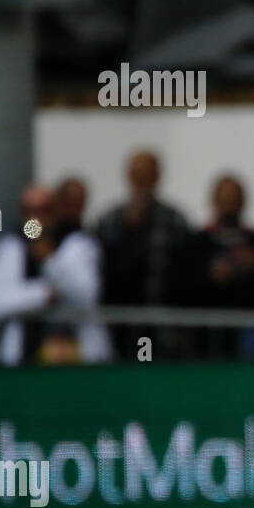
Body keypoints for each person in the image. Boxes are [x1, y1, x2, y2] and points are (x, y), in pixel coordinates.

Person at [0, 183, 111, 365]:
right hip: (24, 356)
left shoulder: (78, 243)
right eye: (29, 211)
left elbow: (85, 295)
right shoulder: (11, 247)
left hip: (78, 356)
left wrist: (49, 259)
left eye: (44, 210)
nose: (36, 218)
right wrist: (43, 294)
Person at [96, 150, 194, 359]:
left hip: (164, 326)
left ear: (157, 177)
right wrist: (129, 232)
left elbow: (186, 275)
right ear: (129, 177)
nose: (143, 182)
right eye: (138, 175)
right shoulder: (110, 221)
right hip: (118, 328)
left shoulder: (174, 221)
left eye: (148, 175)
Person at [192, 175, 254, 359]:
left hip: (253, 334)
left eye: (234, 200)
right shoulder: (195, 245)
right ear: (214, 201)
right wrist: (212, 275)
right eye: (224, 200)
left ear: (243, 202)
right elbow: (183, 287)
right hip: (208, 337)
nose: (229, 205)